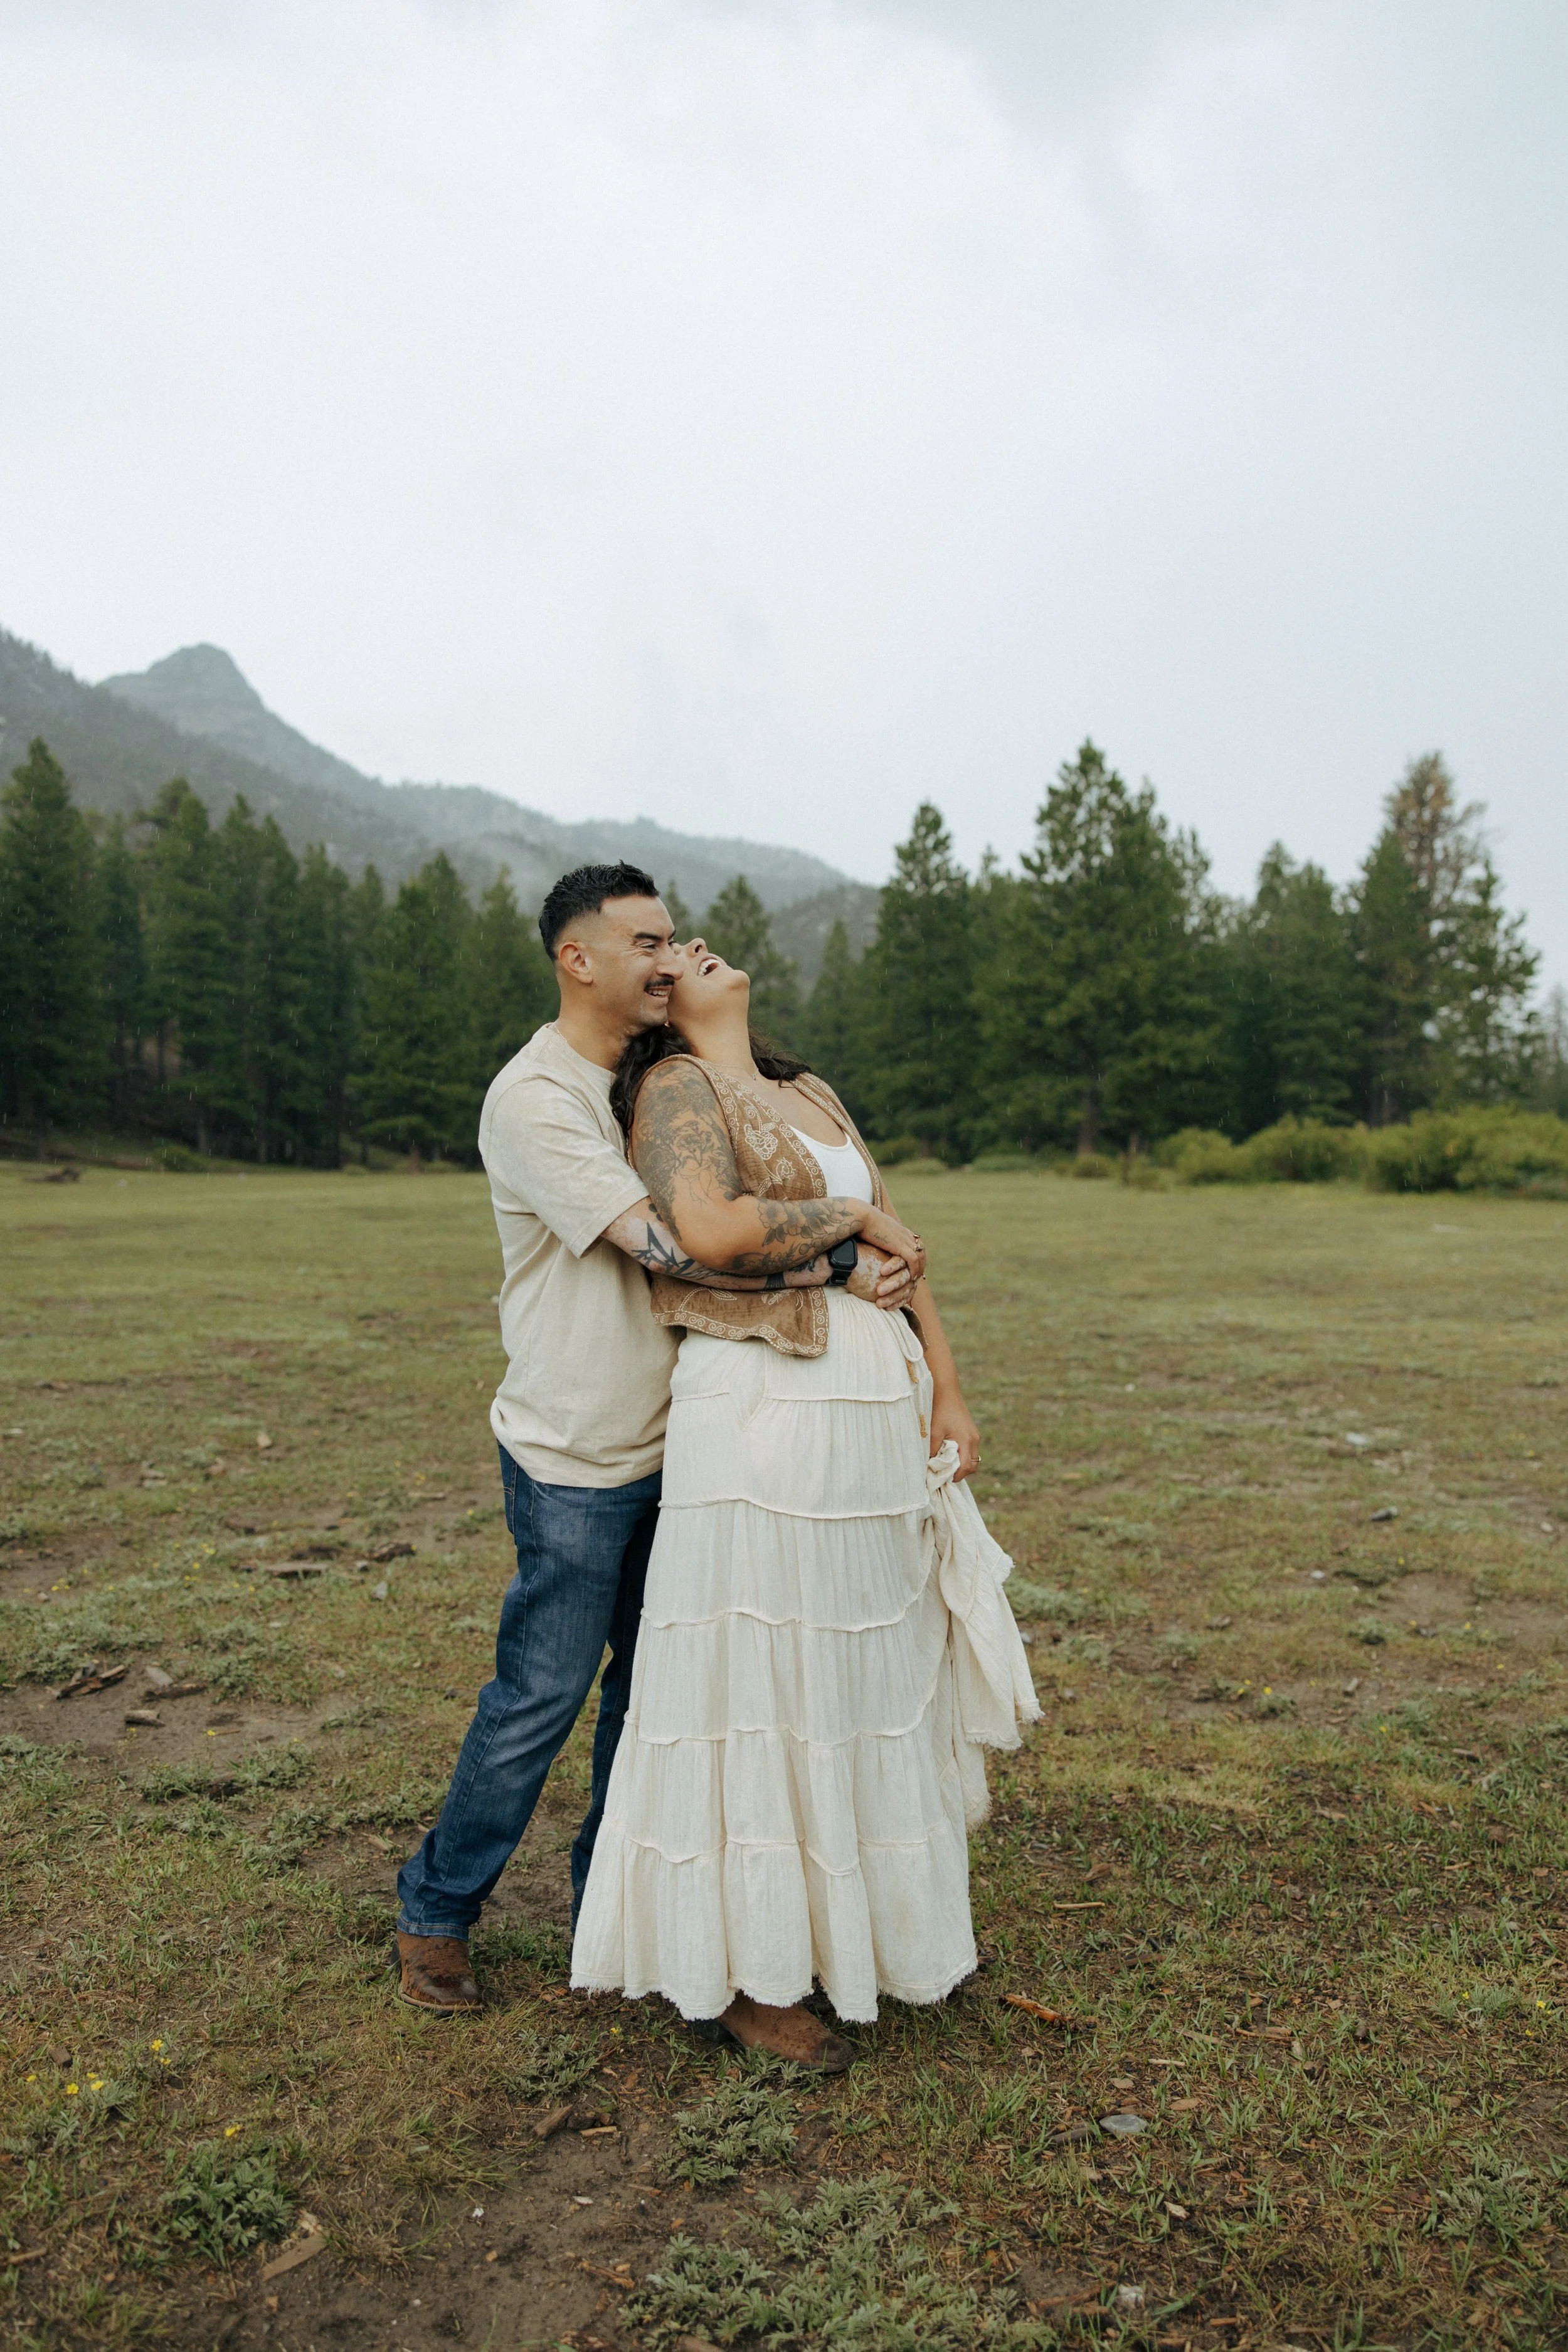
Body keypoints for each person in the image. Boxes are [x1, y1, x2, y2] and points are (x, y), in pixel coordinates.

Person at [395, 864, 921, 2014]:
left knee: (658, 1699)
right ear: (576, 958)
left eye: (673, 938)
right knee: (542, 1691)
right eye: (644, 940)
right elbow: (677, 1246)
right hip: (582, 1451)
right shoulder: (537, 1097)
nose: (667, 958)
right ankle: (437, 1907)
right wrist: (842, 1246)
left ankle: (609, 1911)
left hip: (699, 1441)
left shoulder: (656, 1078)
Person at [569, 937, 1039, 2068]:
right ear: (671, 1003)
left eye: (694, 938)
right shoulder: (679, 1089)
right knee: (764, 1672)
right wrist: (851, 1228)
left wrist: (952, 1389)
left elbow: (904, 1242)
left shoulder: (809, 1091)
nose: (690, 945)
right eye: (671, 948)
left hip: (871, 1410)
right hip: (763, 1412)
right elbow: (719, 1229)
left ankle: (861, 1932)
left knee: (861, 1667)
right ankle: (746, 1969)